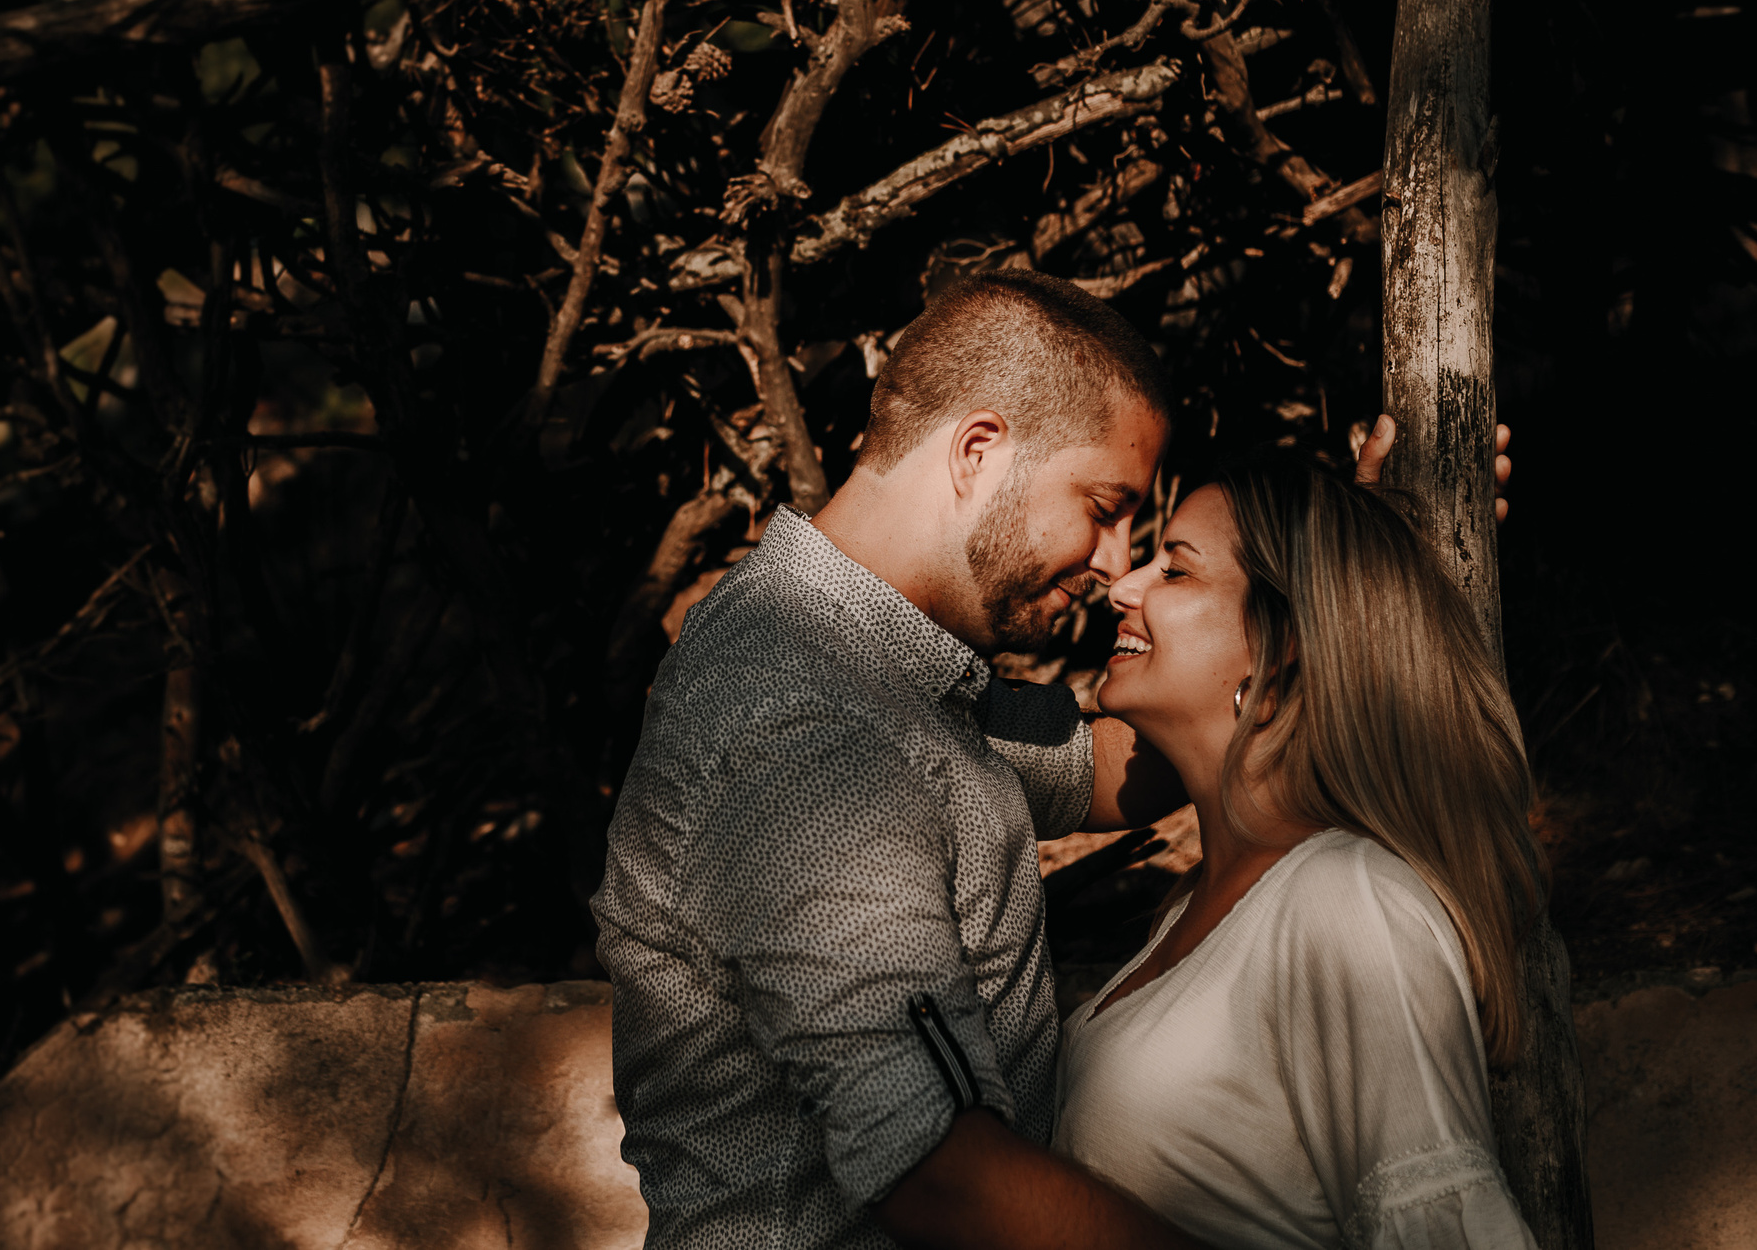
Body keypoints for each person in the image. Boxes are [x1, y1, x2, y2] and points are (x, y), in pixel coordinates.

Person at [594, 269, 1207, 1250]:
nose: (1114, 562)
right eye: (1103, 505)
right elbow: (936, 1172)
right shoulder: (800, 722)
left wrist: (1348, 588)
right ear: (978, 449)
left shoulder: (889, 669)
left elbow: (1119, 764)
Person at [1052, 457, 1542, 1249]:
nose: (1124, 587)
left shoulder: (1349, 901)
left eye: (1174, 569)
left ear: (1279, 645)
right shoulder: (1195, 901)